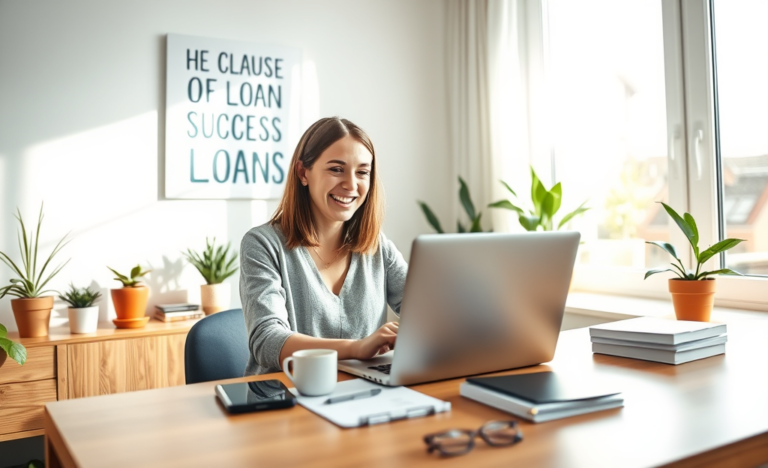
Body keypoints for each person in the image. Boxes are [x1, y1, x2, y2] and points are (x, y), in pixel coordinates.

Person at [240, 117, 408, 375]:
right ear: (303, 173)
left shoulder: (378, 247)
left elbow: (428, 314)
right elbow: (267, 340)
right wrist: (357, 347)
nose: (351, 185)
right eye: (336, 169)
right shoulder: (262, 245)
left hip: (363, 395)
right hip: (285, 398)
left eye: (362, 172)